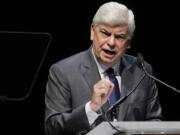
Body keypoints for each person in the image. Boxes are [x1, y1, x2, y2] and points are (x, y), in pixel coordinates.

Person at [45, 1, 163, 135]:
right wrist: (91, 108)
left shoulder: (142, 71)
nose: (111, 43)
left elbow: (154, 121)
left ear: (129, 42)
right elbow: (52, 128)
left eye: (119, 37)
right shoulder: (63, 71)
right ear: (92, 32)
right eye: (105, 33)